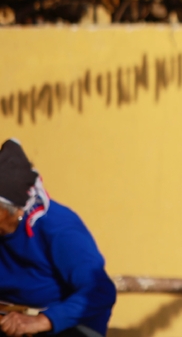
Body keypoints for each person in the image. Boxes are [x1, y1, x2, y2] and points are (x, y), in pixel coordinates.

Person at [0, 139, 117, 337]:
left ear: (10, 209)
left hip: (66, 326)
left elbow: (101, 291)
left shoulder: (58, 227)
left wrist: (42, 321)